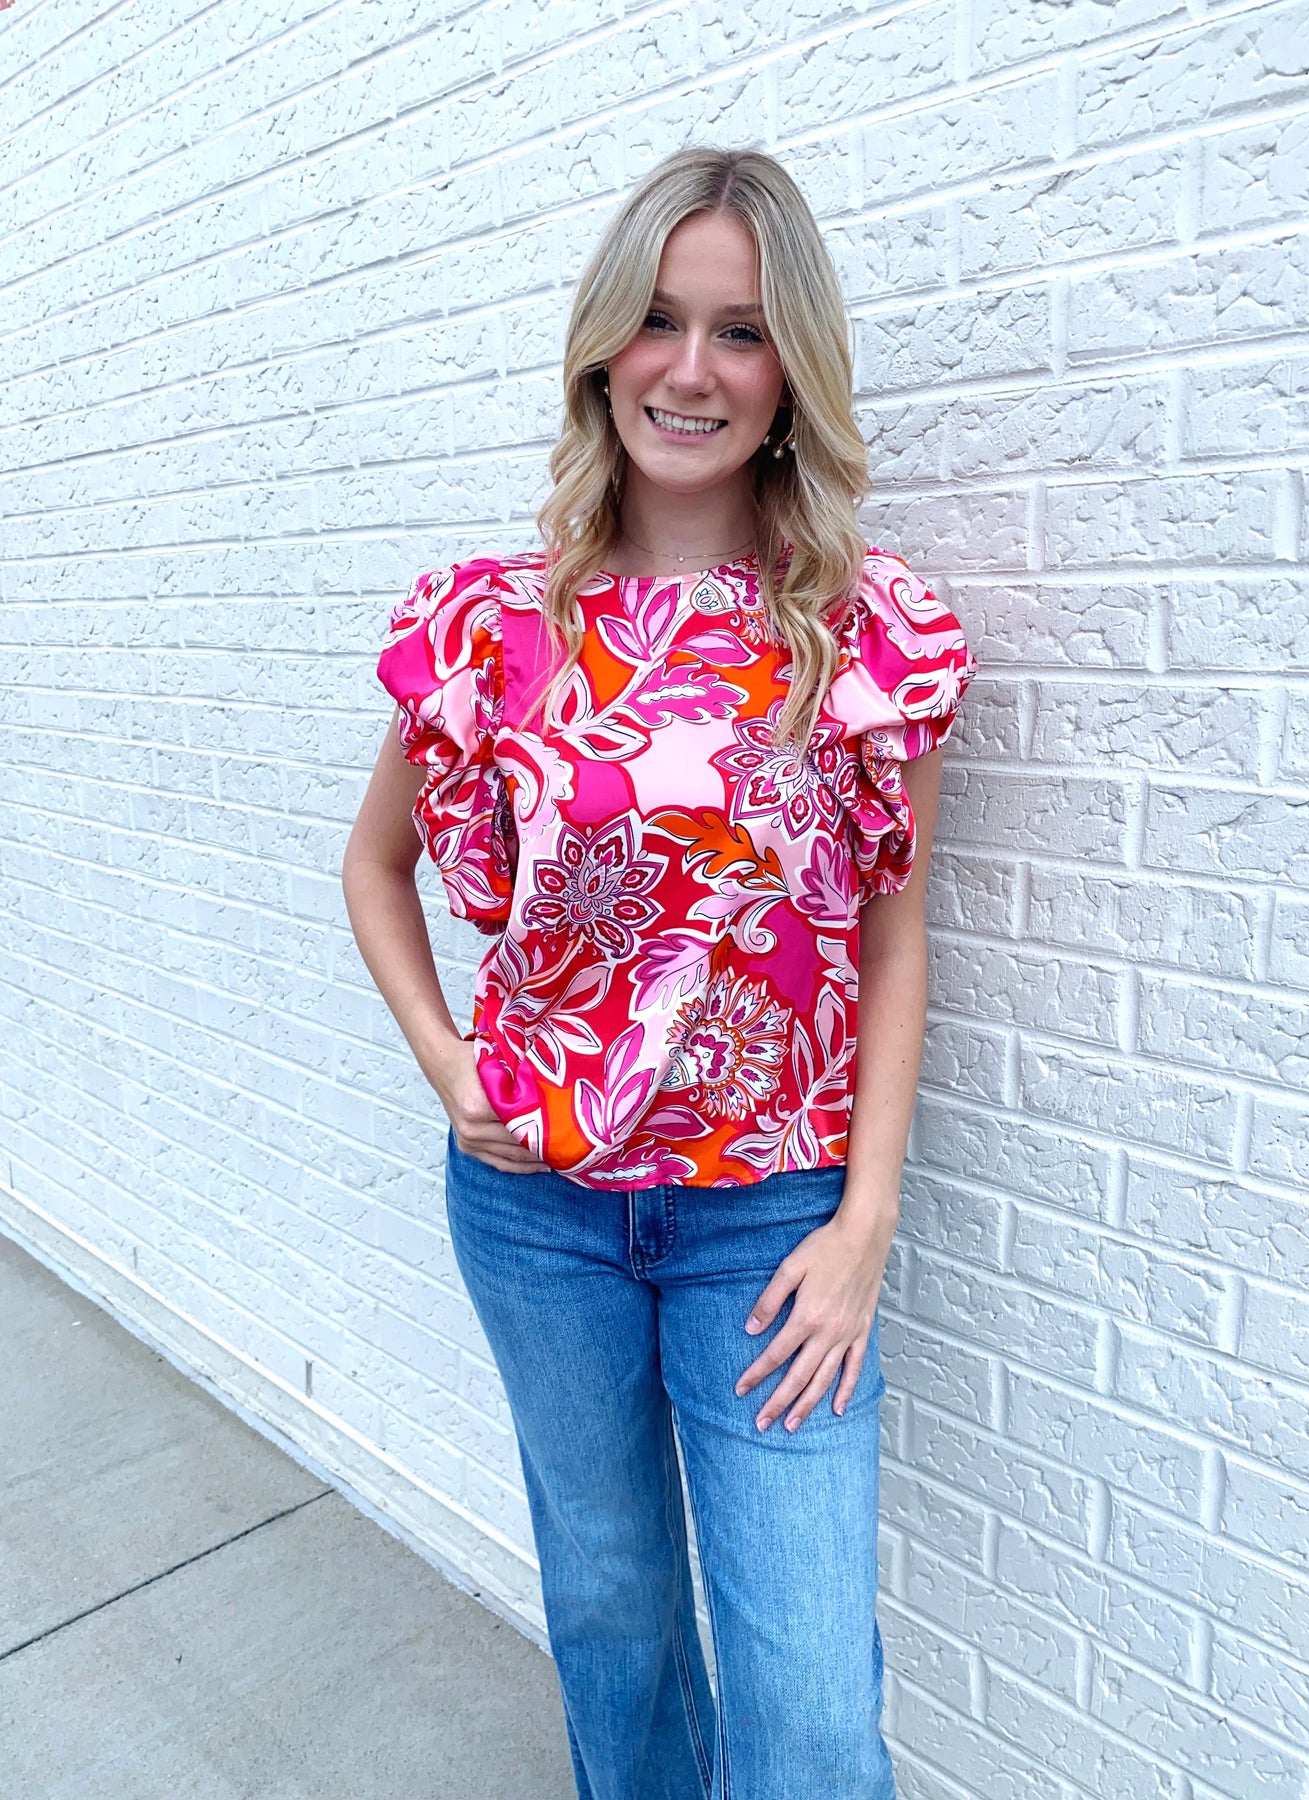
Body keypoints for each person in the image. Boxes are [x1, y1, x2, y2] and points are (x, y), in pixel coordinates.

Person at [342, 145, 976, 1800]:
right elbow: (374, 866)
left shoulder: (862, 631)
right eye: (658, 320)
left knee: (808, 1707)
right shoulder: (488, 624)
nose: (690, 370)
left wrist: (865, 1222)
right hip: (536, 1213)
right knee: (613, 1615)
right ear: (600, 346)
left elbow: (893, 931)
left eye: (740, 332)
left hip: (770, 1224)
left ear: (790, 374)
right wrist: (450, 1066)